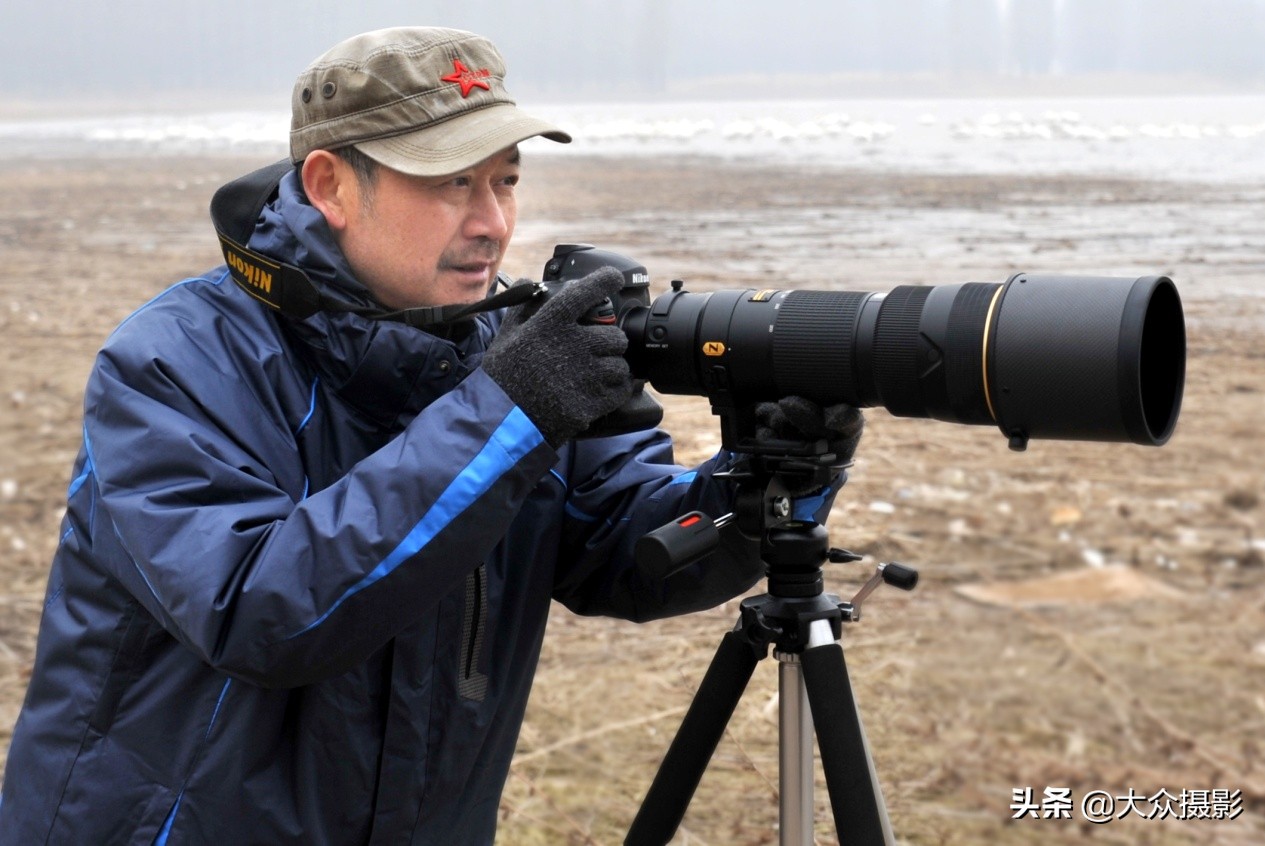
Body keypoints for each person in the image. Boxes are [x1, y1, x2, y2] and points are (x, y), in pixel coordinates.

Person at [0, 27, 862, 844]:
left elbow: (622, 551)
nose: (491, 221)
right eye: (453, 182)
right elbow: (261, 612)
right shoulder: (176, 361)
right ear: (331, 186)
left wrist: (763, 487)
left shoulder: (508, 349)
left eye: (507, 181)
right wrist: (510, 412)